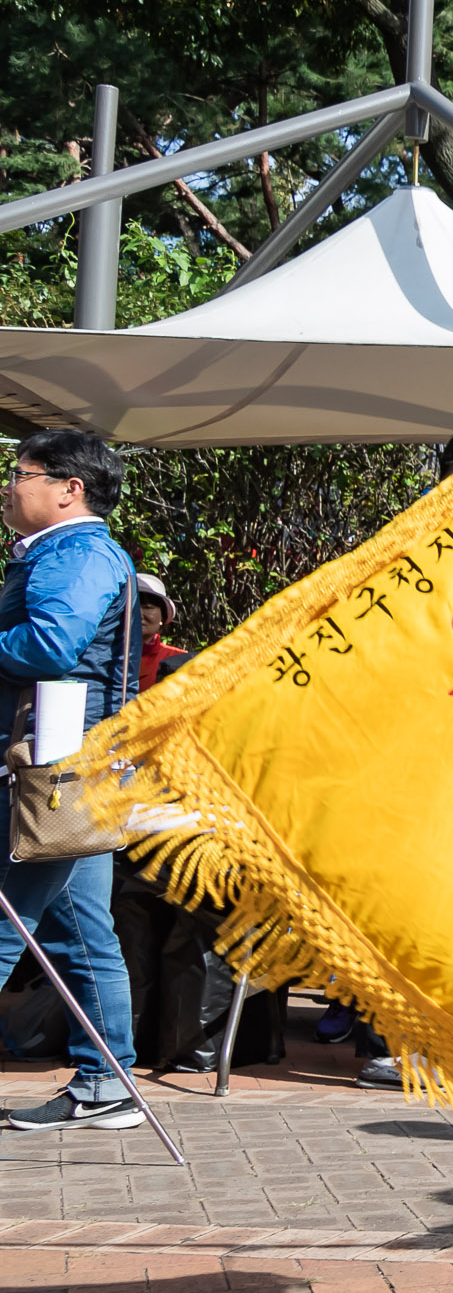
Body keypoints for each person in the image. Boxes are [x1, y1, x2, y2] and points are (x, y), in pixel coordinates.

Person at [0, 431, 146, 1133]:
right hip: (71, 775)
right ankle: (106, 1080)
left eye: (18, 473)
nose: (8, 486)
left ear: (68, 489)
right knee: (83, 932)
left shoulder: (76, 552)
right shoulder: (72, 552)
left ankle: (106, 1080)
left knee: (7, 916)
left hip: (48, 773)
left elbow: (51, 644)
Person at [133, 574, 191, 690]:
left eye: (148, 607)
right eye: (133, 607)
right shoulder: (106, 657)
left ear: (162, 618)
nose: (139, 614)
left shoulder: (179, 660)